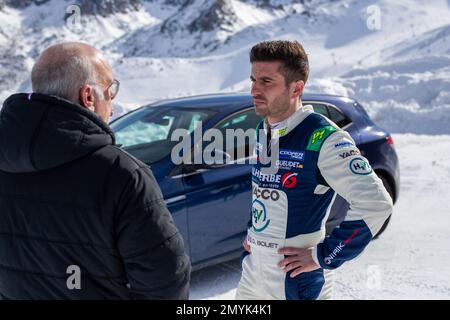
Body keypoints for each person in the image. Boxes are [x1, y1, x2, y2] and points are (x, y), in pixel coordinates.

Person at [0, 42, 191, 299]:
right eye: (110, 90)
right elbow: (165, 281)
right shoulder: (121, 175)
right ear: (88, 97)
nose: (112, 102)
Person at [235, 40, 393, 300]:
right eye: (253, 80)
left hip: (296, 281)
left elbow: (376, 204)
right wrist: (254, 231)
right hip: (254, 274)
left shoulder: (324, 137)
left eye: (266, 81)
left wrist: (324, 254)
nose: (254, 90)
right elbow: (266, 190)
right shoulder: (263, 130)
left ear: (296, 87)